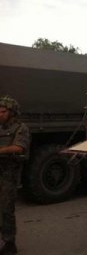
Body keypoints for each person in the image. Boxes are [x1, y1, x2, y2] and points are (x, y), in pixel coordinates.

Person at [0, 96, 30, 255]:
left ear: (12, 113)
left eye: (3, 111)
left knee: (6, 208)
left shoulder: (21, 128)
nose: (0, 114)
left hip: (9, 173)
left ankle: (9, 242)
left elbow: (19, 147)